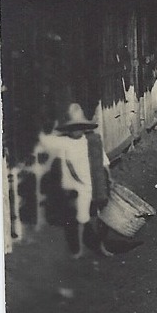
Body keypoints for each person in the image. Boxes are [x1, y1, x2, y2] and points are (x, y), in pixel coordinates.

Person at [47, 103, 112, 257]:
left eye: (79, 127)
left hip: (95, 183)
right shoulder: (66, 144)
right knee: (81, 217)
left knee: (99, 217)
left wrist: (109, 179)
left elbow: (104, 163)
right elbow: (65, 167)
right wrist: (73, 184)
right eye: (73, 128)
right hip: (78, 185)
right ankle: (79, 248)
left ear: (84, 127)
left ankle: (101, 246)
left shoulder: (92, 141)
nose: (76, 131)